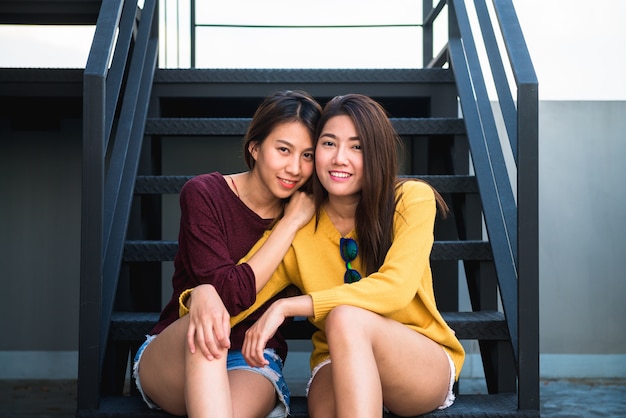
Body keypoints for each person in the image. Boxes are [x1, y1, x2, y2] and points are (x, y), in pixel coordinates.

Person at [181, 93, 465, 417]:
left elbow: (396, 287)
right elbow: (238, 295)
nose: (340, 158)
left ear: (377, 153)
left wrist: (288, 306)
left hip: (415, 357)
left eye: (356, 147)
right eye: (329, 144)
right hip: (335, 361)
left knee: (346, 317)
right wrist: (199, 299)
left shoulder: (410, 200)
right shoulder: (299, 226)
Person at [133, 90, 322, 418]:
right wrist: (288, 224)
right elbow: (229, 295)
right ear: (255, 147)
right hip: (179, 348)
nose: (295, 168)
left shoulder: (311, 212)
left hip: (250, 358)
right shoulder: (205, 194)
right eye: (283, 150)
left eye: (307, 155)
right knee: (210, 322)